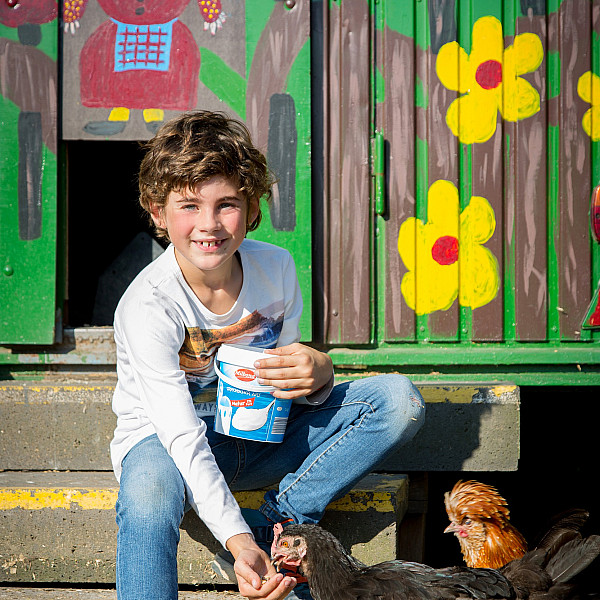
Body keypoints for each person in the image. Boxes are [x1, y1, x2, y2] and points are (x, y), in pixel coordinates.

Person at [110, 110, 426, 600]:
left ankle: (282, 518)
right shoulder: (148, 305)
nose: (209, 224)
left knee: (396, 400)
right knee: (147, 496)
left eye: (227, 204)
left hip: (257, 437)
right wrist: (237, 540)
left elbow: (285, 386)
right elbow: (180, 435)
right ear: (157, 212)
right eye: (189, 205)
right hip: (167, 447)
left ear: (252, 205)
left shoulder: (275, 266)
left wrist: (320, 371)